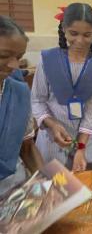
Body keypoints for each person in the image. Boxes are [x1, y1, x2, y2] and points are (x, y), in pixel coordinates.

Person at [31, 3, 92, 172]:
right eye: (73, 33)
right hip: (52, 143)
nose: (80, 41)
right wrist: (51, 124)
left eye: (87, 35)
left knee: (90, 191)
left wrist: (81, 147)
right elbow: (37, 100)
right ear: (64, 29)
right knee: (57, 194)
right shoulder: (48, 59)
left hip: (88, 144)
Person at [0, 16, 43, 196]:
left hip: (12, 190)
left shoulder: (19, 92)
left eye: (19, 57)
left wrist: (51, 187)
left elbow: (27, 147)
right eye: (3, 56)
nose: (13, 65)